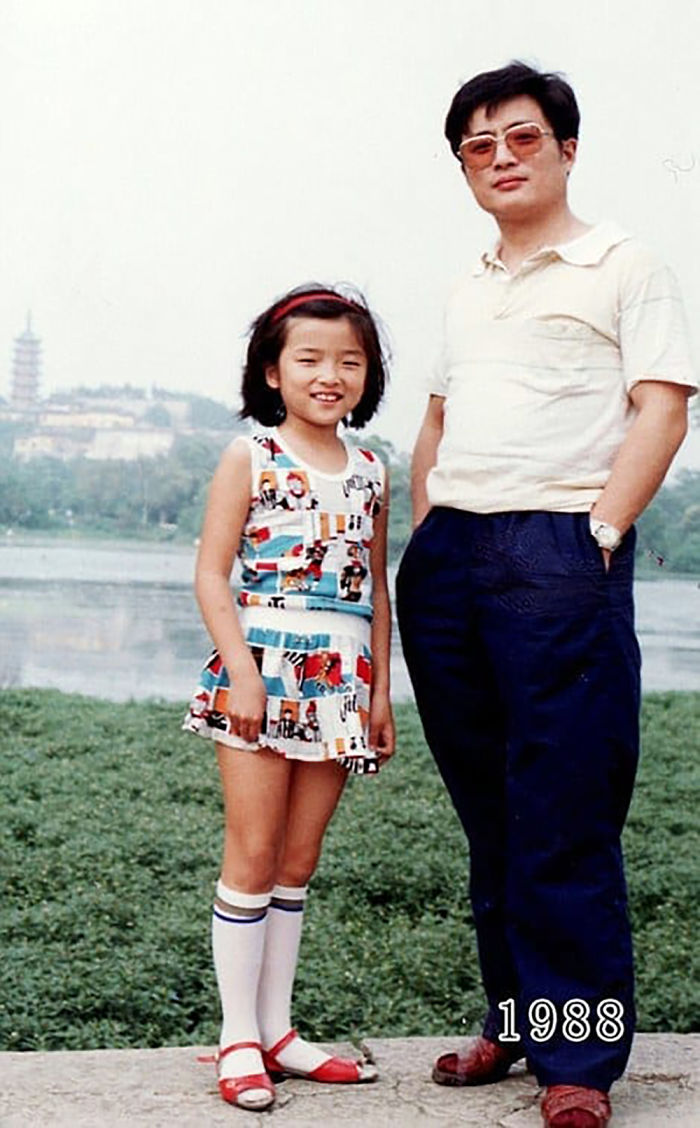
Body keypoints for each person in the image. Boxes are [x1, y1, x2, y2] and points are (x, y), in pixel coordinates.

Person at [396, 61, 696, 1128]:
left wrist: (601, 530)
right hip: (453, 561)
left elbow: (660, 409)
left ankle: (578, 1062)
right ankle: (517, 1021)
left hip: (558, 548)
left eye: (519, 138)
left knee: (562, 806)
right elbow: (435, 417)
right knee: (491, 810)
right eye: (477, 146)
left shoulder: (625, 265)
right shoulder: (469, 284)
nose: (500, 159)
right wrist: (428, 527)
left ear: (565, 147)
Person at [183, 284, 394, 1111]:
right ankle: (237, 1036)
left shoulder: (374, 468)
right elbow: (210, 572)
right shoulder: (252, 456)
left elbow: (377, 588)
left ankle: (279, 1033)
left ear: (367, 373)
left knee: (298, 865)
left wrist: (379, 696)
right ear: (273, 371)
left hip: (342, 680)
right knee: (253, 854)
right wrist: (240, 669)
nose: (329, 375)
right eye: (309, 359)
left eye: (349, 361)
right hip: (261, 672)